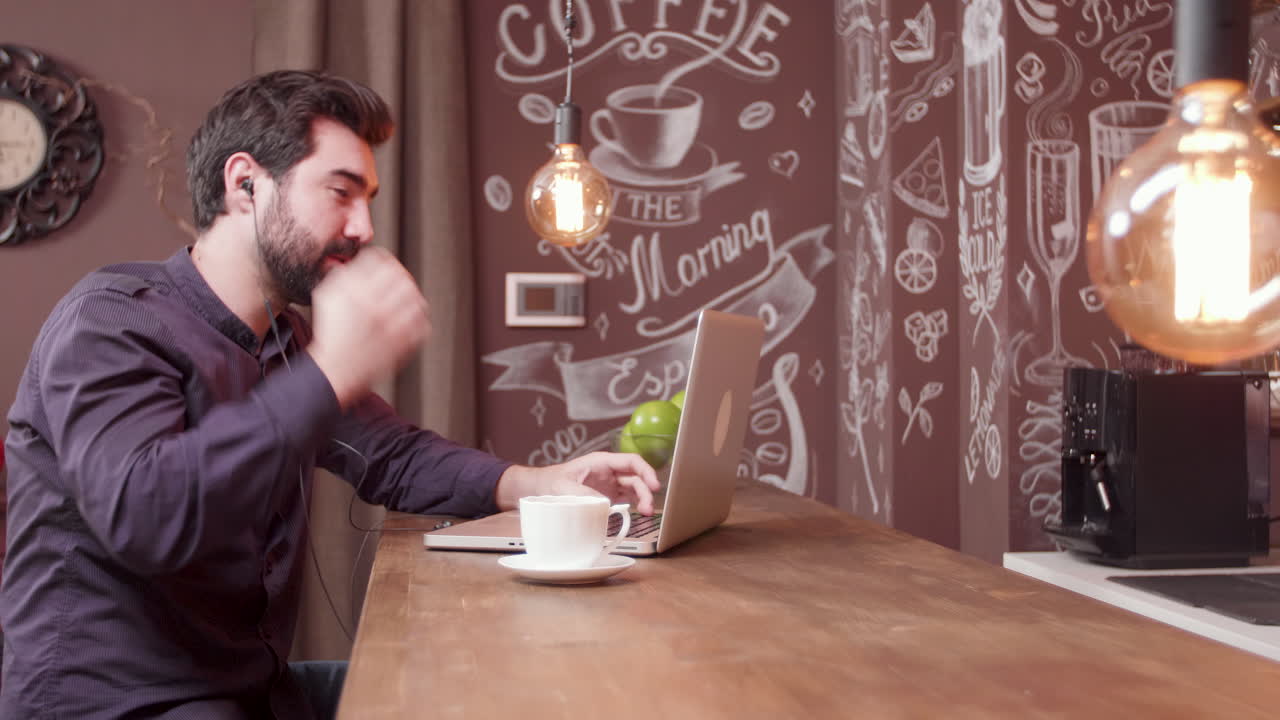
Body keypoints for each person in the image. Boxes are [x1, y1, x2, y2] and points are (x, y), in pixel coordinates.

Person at [0, 70, 659, 720]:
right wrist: (332, 370)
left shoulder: (286, 341)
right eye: (341, 193)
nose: (364, 227)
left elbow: (393, 456)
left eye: (367, 199)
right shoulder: (110, 321)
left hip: (257, 694)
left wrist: (540, 484)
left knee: (487, 692)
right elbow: (146, 517)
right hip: (119, 706)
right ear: (245, 184)